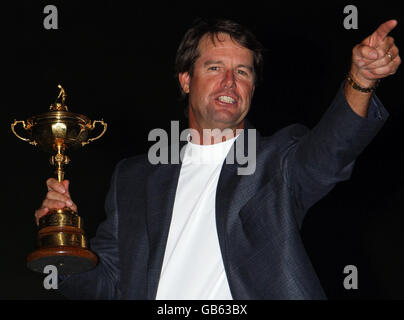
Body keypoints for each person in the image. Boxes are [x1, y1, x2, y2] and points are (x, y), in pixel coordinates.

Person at [35, 18, 401, 299]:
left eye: (242, 72)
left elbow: (330, 151)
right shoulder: (134, 177)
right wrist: (62, 247)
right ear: (185, 80)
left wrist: (361, 80)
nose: (230, 81)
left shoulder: (277, 159)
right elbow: (107, 284)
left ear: (252, 89)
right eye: (214, 68)